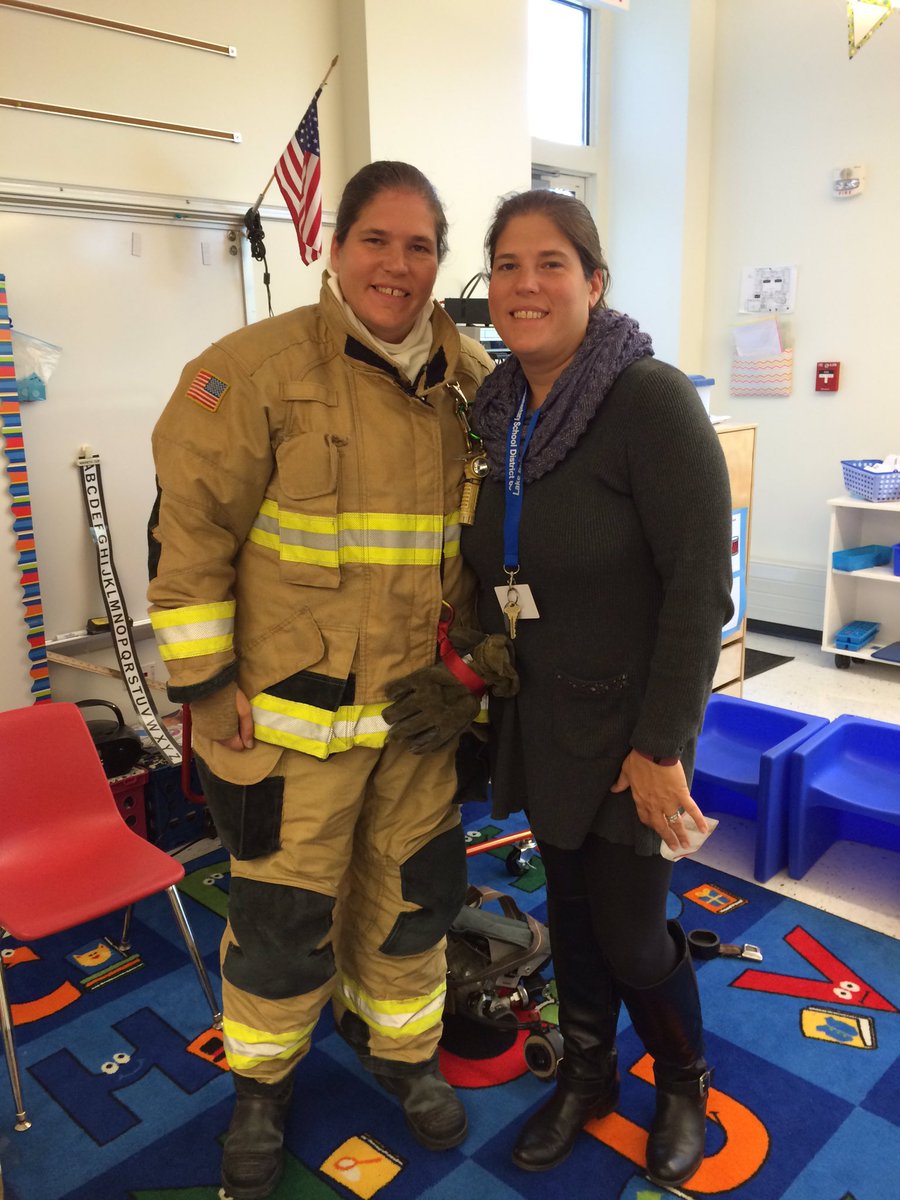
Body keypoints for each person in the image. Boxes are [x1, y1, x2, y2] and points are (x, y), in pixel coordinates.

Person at [146, 161, 514, 1200]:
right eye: (377, 240)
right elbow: (191, 542)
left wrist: (478, 683)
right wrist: (207, 689)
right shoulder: (248, 372)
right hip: (284, 730)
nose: (397, 265)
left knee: (412, 905)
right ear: (334, 246)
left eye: (419, 246)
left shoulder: (475, 386)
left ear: (440, 262)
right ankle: (261, 1088)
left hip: (416, 728)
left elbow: (494, 557)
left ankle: (401, 1053)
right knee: (279, 924)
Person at [461, 191, 734, 1188]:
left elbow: (702, 588)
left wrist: (661, 747)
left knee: (627, 926)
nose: (525, 285)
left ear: (595, 281)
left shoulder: (647, 400)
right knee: (569, 909)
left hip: (636, 724)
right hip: (544, 713)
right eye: (505, 266)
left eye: (550, 264)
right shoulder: (502, 413)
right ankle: (586, 1074)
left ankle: (682, 1080)